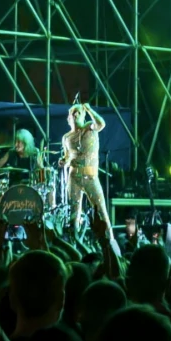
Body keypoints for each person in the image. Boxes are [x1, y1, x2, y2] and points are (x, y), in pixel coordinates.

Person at [63, 96, 110, 242]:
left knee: (101, 210)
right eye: (73, 113)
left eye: (78, 112)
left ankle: (111, 243)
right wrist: (64, 161)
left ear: (83, 115)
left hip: (90, 176)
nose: (75, 115)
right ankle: (74, 243)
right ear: (69, 118)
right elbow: (67, 156)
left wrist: (89, 109)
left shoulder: (90, 127)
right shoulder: (67, 137)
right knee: (73, 213)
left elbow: (101, 124)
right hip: (74, 177)